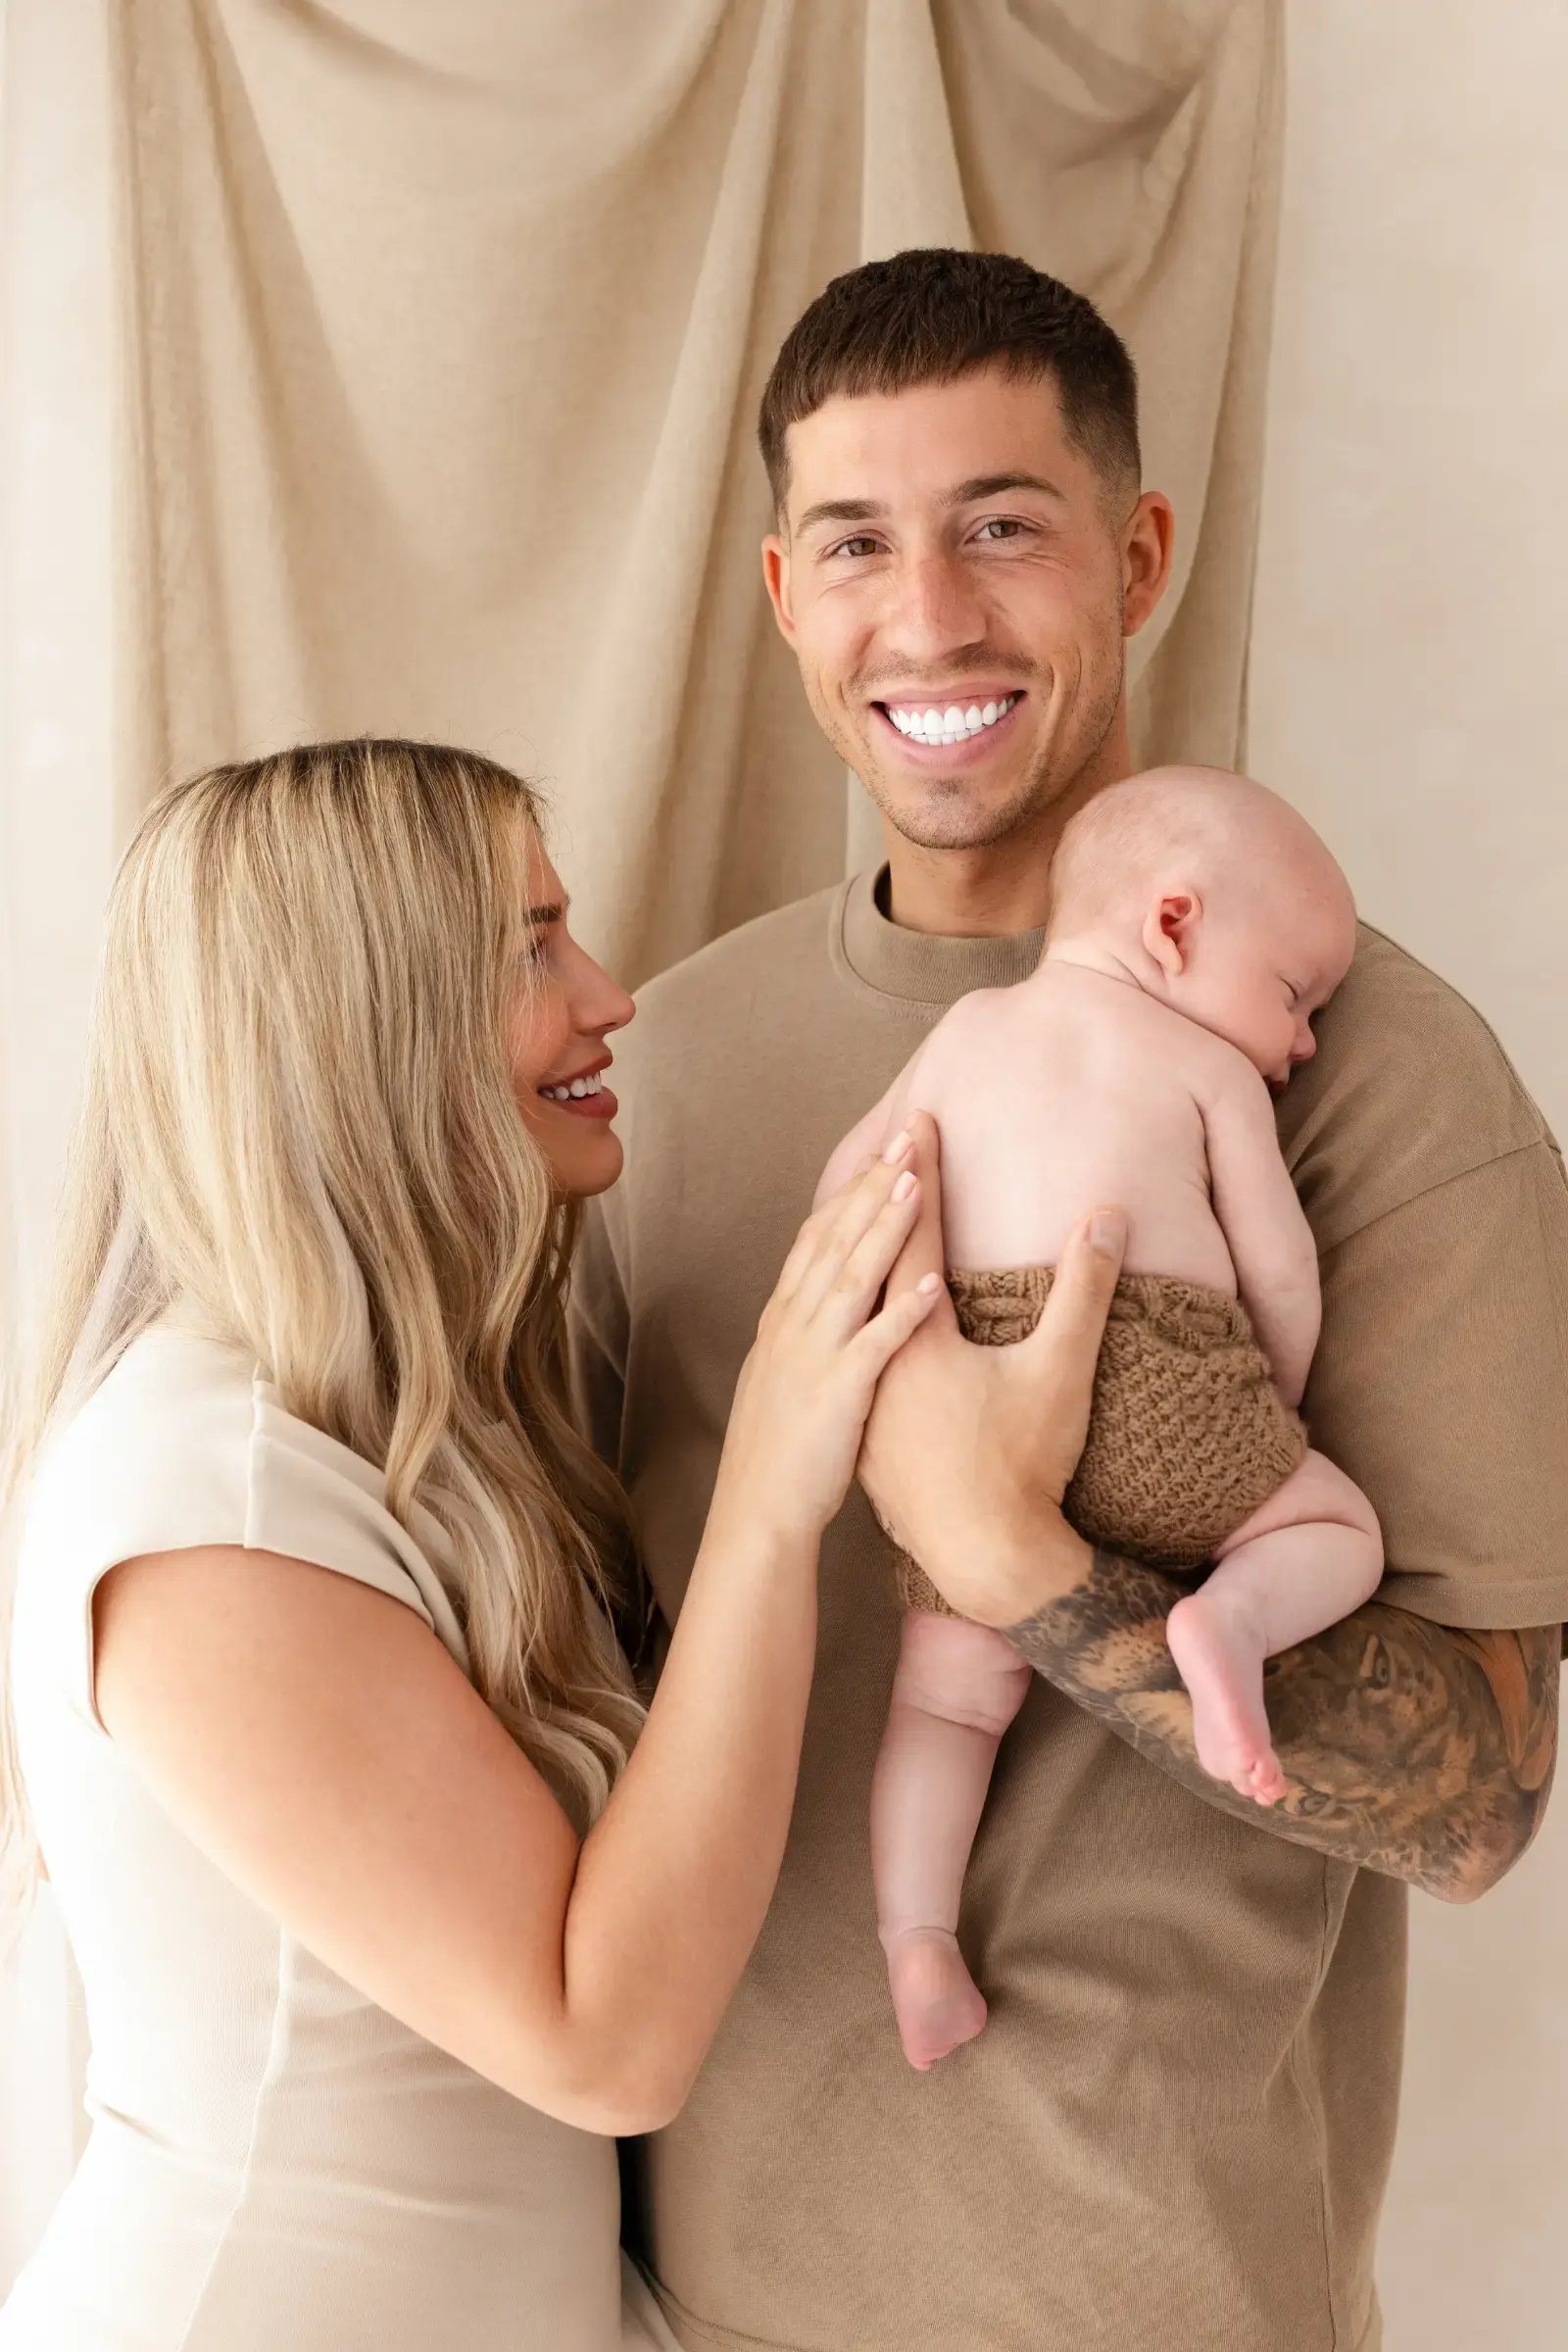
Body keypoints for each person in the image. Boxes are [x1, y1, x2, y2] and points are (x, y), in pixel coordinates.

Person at [571, 250, 1568, 2352]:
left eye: (1000, 529)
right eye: (855, 541)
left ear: (1132, 557)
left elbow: (1472, 1805)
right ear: (777, 594)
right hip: (672, 2309)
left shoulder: (1371, 1080)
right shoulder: (649, 1071)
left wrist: (1016, 1554)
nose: (924, 617)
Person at [0, 738, 1120, 2352]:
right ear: (363, 1023)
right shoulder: (209, 1503)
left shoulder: (377, 1438)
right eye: (529, 947)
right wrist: (773, 1482)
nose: (608, 996)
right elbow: (606, 2042)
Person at [818, 765, 1384, 2072]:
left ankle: (918, 1944)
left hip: (954, 1413)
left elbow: (850, 1184)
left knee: (947, 1704)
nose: (1300, 1041)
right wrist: (1273, 1419)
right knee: (1335, 1525)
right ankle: (1227, 1617)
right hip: (1166, 1385)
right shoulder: (1204, 1068)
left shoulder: (962, 1034)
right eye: (1293, 996)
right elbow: (1280, 1270)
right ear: (1174, 927)